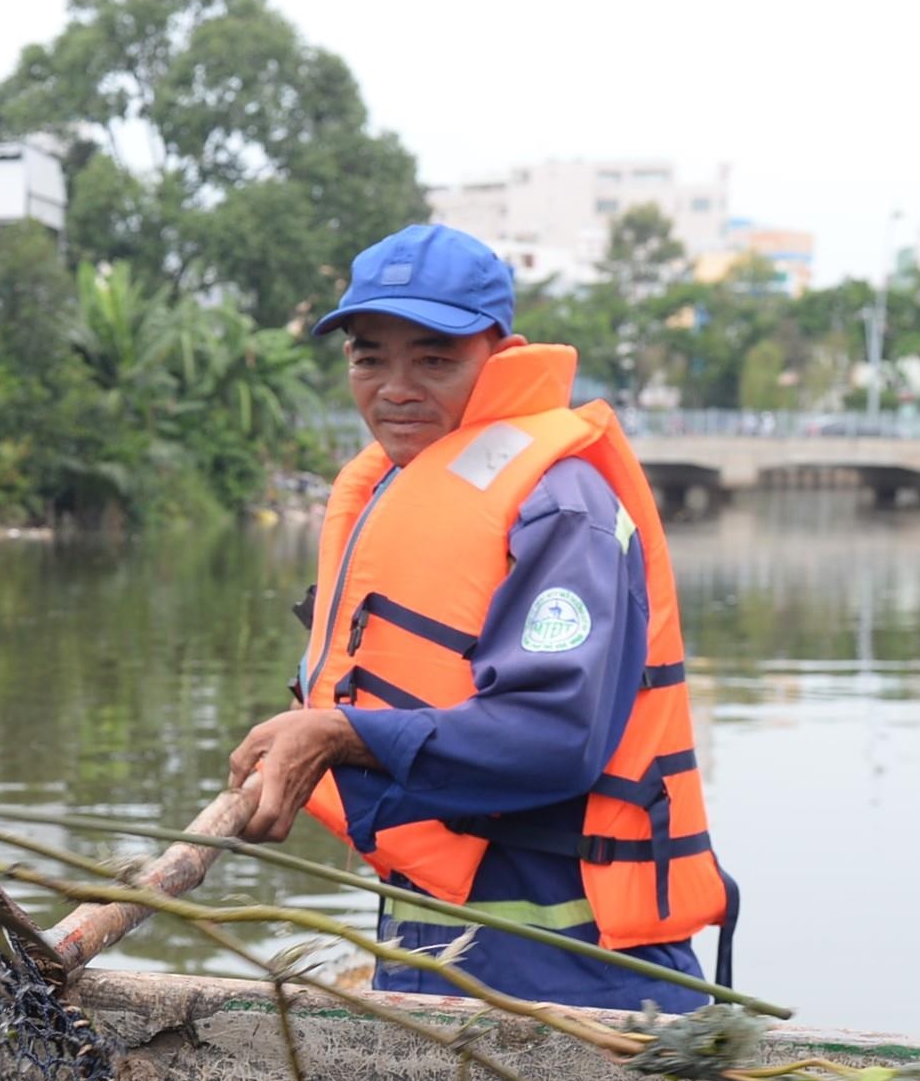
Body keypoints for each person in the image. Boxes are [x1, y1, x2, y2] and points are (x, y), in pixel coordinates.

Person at [228, 224, 737, 1011]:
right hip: (441, 951)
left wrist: (339, 736)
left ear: (501, 359)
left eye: (435, 359)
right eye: (370, 357)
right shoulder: (396, 487)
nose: (395, 388)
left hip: (573, 974)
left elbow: (553, 737)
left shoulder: (562, 508)